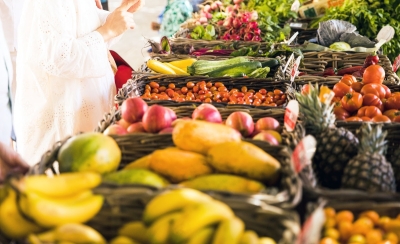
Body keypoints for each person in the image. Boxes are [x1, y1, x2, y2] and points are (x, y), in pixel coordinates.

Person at [13, 0, 144, 165]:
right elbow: (60, 57)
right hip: (61, 122)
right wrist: (108, 30)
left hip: (85, 112)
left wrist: (120, 16)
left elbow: (87, 29)